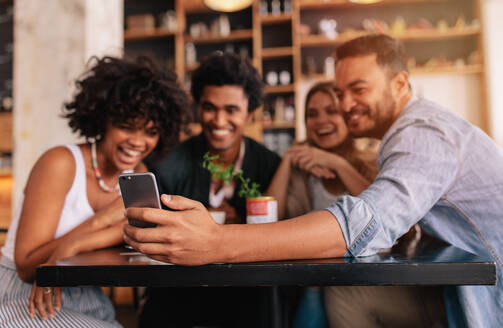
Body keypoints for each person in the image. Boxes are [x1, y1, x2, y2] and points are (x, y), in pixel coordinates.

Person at [124, 34, 503, 328]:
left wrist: (215, 240)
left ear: (401, 84)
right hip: (467, 287)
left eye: (359, 89)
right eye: (340, 92)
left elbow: (364, 223)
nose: (344, 104)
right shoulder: (402, 137)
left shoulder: (421, 134)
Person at [0, 56, 188, 327]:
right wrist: (102, 220)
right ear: (102, 120)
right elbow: (28, 267)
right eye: (126, 126)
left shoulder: (136, 174)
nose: (137, 142)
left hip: (86, 295)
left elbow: (136, 235)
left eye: (150, 131)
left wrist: (75, 244)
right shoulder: (61, 163)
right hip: (22, 292)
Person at [140, 52, 281, 327]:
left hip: (247, 292)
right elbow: (152, 234)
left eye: (231, 110)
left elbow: (280, 232)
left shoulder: (269, 165)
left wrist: (233, 231)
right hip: (180, 293)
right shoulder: (170, 163)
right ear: (197, 108)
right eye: (209, 107)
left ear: (250, 113)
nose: (218, 121)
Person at [266, 82, 378, 328]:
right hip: (314, 282)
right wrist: (288, 158)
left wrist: (338, 164)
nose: (321, 121)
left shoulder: (372, 162)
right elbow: (267, 218)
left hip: (365, 280)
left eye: (332, 111)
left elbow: (382, 210)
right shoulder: (302, 171)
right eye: (312, 114)